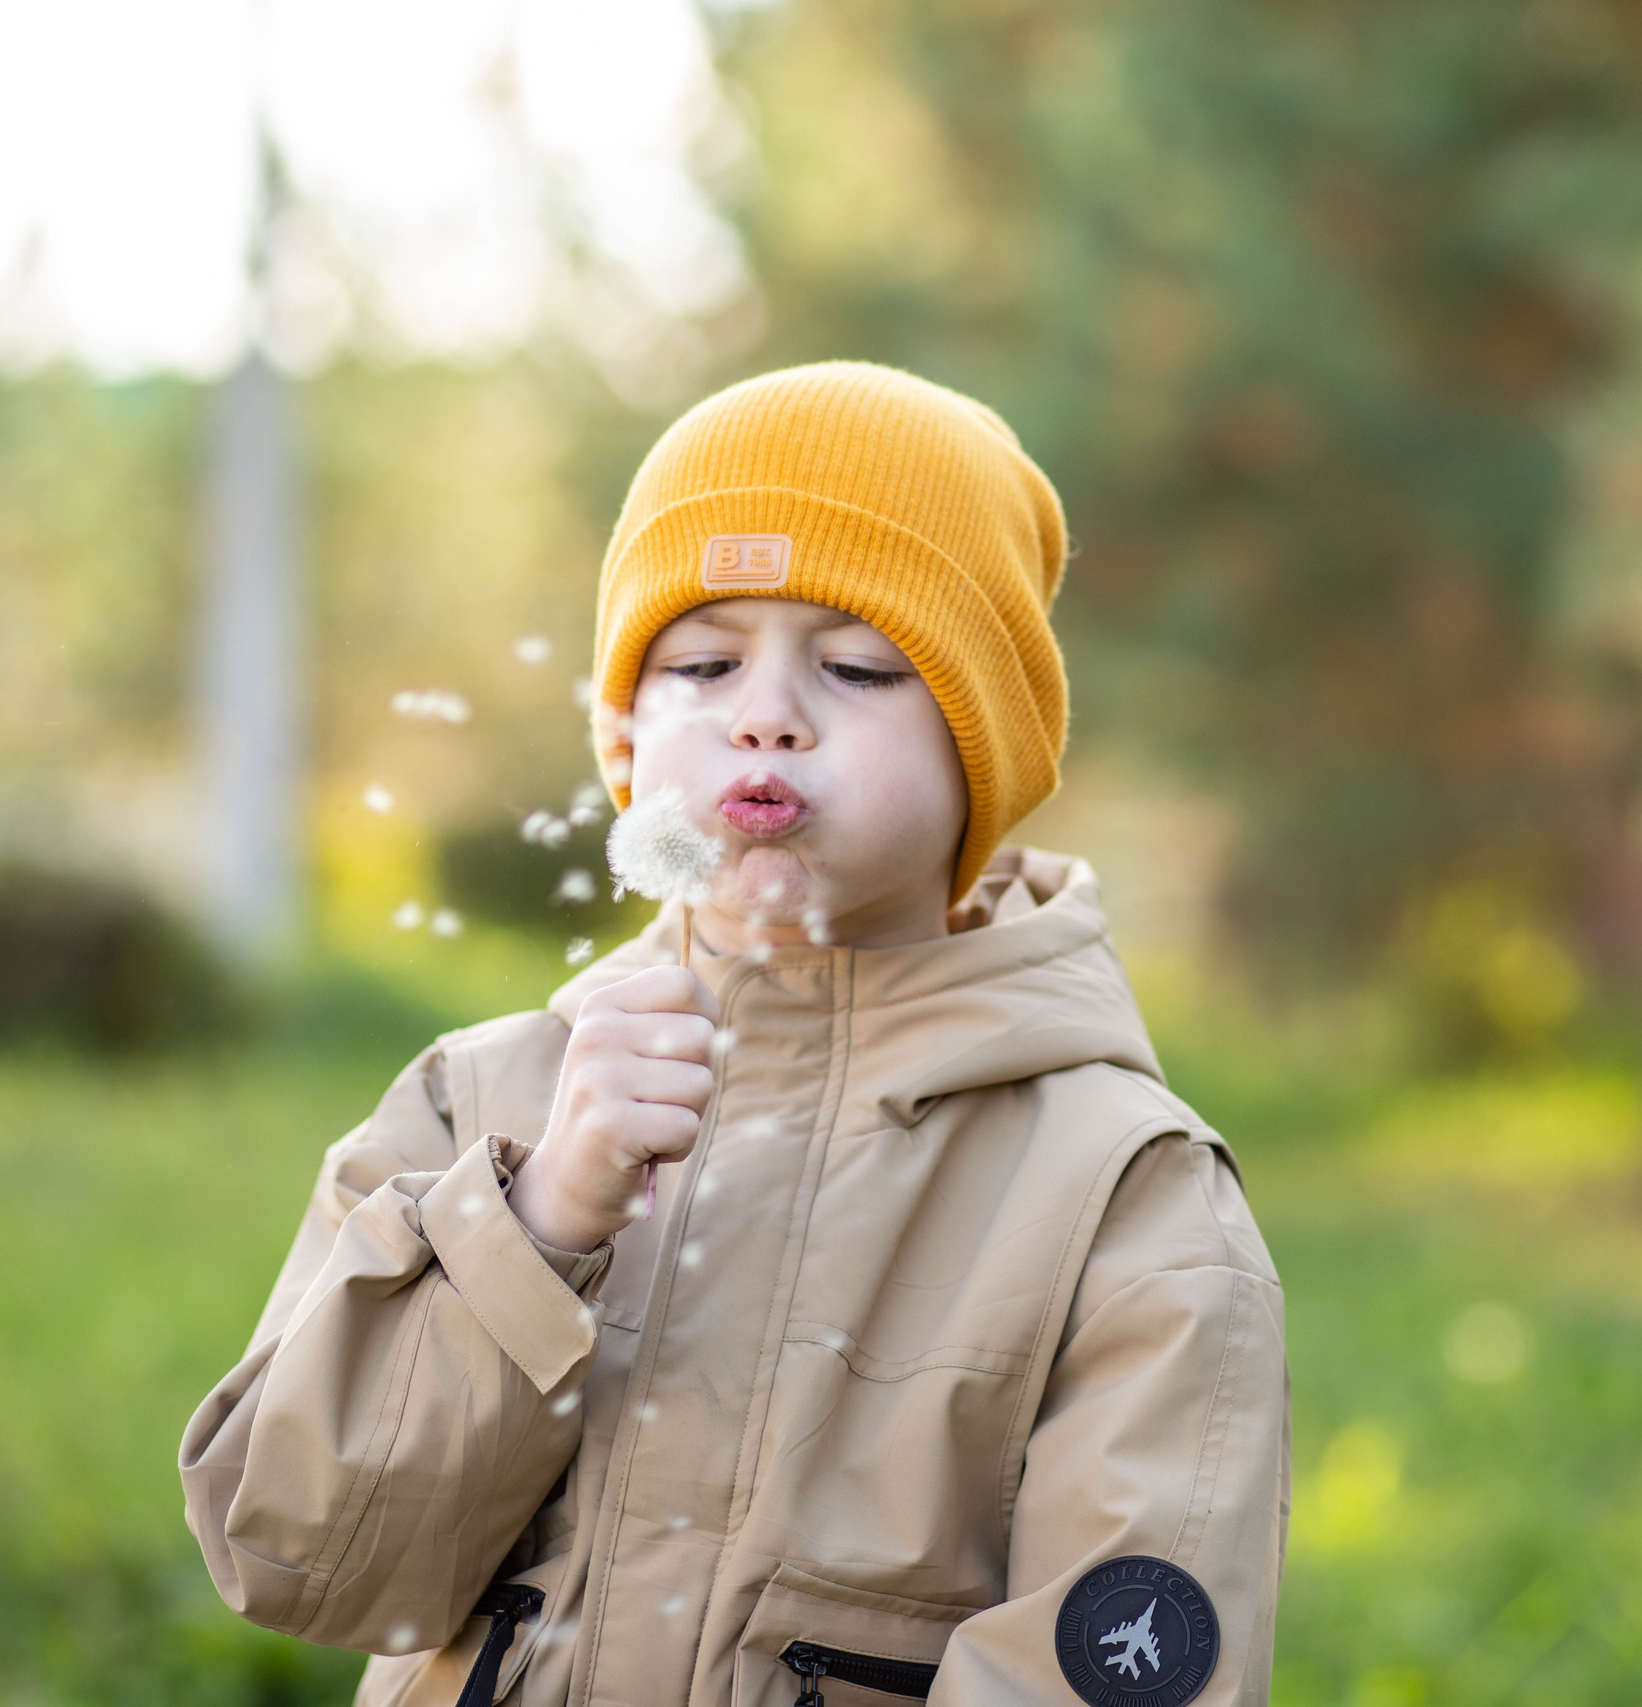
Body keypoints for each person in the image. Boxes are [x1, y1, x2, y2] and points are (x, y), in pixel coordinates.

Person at [180, 362, 1290, 1707]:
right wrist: (534, 1230)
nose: (765, 711)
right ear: (628, 735)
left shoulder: (1121, 1192)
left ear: (985, 749)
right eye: (703, 661)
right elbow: (303, 1562)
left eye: (862, 664)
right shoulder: (478, 1108)